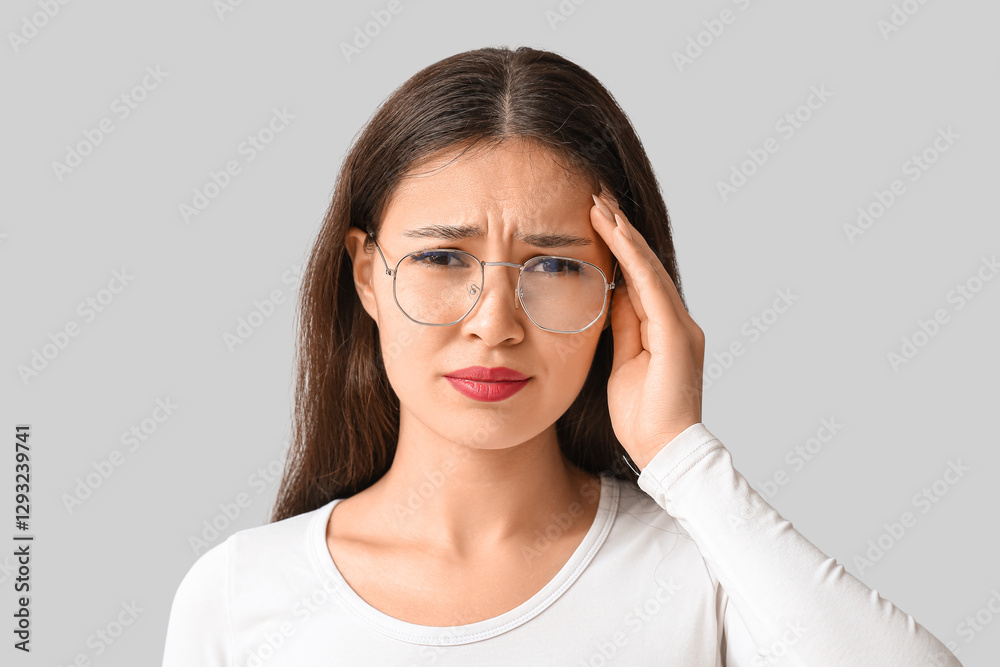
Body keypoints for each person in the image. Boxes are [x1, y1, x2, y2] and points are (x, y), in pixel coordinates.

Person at [162, 46, 961, 666]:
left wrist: (682, 456)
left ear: (625, 292)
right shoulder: (239, 595)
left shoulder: (708, 571)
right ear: (367, 274)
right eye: (442, 258)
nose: (495, 324)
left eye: (553, 265)